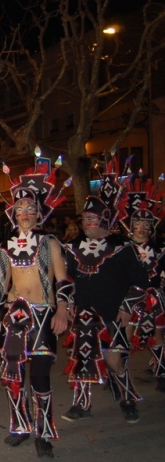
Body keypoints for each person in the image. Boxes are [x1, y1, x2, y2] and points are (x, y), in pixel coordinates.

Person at [0, 151, 71, 458]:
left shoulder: (50, 243)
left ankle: (43, 432)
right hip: (15, 317)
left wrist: (62, 309)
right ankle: (20, 426)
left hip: (43, 314)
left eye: (30, 208)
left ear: (38, 213)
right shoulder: (5, 248)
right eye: (19, 208)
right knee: (14, 377)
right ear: (13, 214)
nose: (24, 213)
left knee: (41, 377)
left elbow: (63, 280)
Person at [60, 159, 149, 424]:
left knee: (114, 362)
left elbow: (141, 283)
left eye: (91, 218)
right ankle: (82, 404)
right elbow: (67, 279)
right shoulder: (74, 248)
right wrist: (68, 303)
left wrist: (127, 308)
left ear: (104, 220)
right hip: (84, 315)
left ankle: (127, 399)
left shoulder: (123, 248)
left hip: (112, 315)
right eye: (84, 219)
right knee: (82, 359)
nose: (85, 222)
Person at [119, 177, 165, 392]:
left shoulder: (160, 248)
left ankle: (162, 372)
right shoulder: (123, 248)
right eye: (138, 223)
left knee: (157, 334)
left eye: (147, 224)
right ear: (131, 226)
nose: (143, 228)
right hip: (129, 298)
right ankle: (121, 376)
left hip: (154, 299)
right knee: (126, 335)